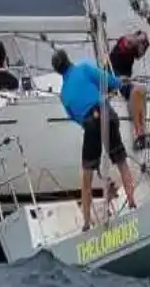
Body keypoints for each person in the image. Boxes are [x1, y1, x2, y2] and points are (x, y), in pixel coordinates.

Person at [53, 48, 139, 232]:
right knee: (121, 161)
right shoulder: (83, 68)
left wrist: (89, 123)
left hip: (89, 123)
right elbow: (108, 81)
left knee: (86, 175)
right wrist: (119, 81)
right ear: (69, 59)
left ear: (58, 71)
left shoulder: (63, 95)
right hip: (106, 113)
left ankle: (86, 223)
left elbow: (74, 116)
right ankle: (132, 203)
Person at [107, 30, 150, 151]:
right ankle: (139, 135)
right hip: (114, 81)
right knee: (137, 90)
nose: (142, 52)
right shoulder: (124, 43)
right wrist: (140, 38)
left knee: (141, 91)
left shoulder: (130, 53)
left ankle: (144, 133)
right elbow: (128, 41)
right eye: (143, 47)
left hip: (122, 82)